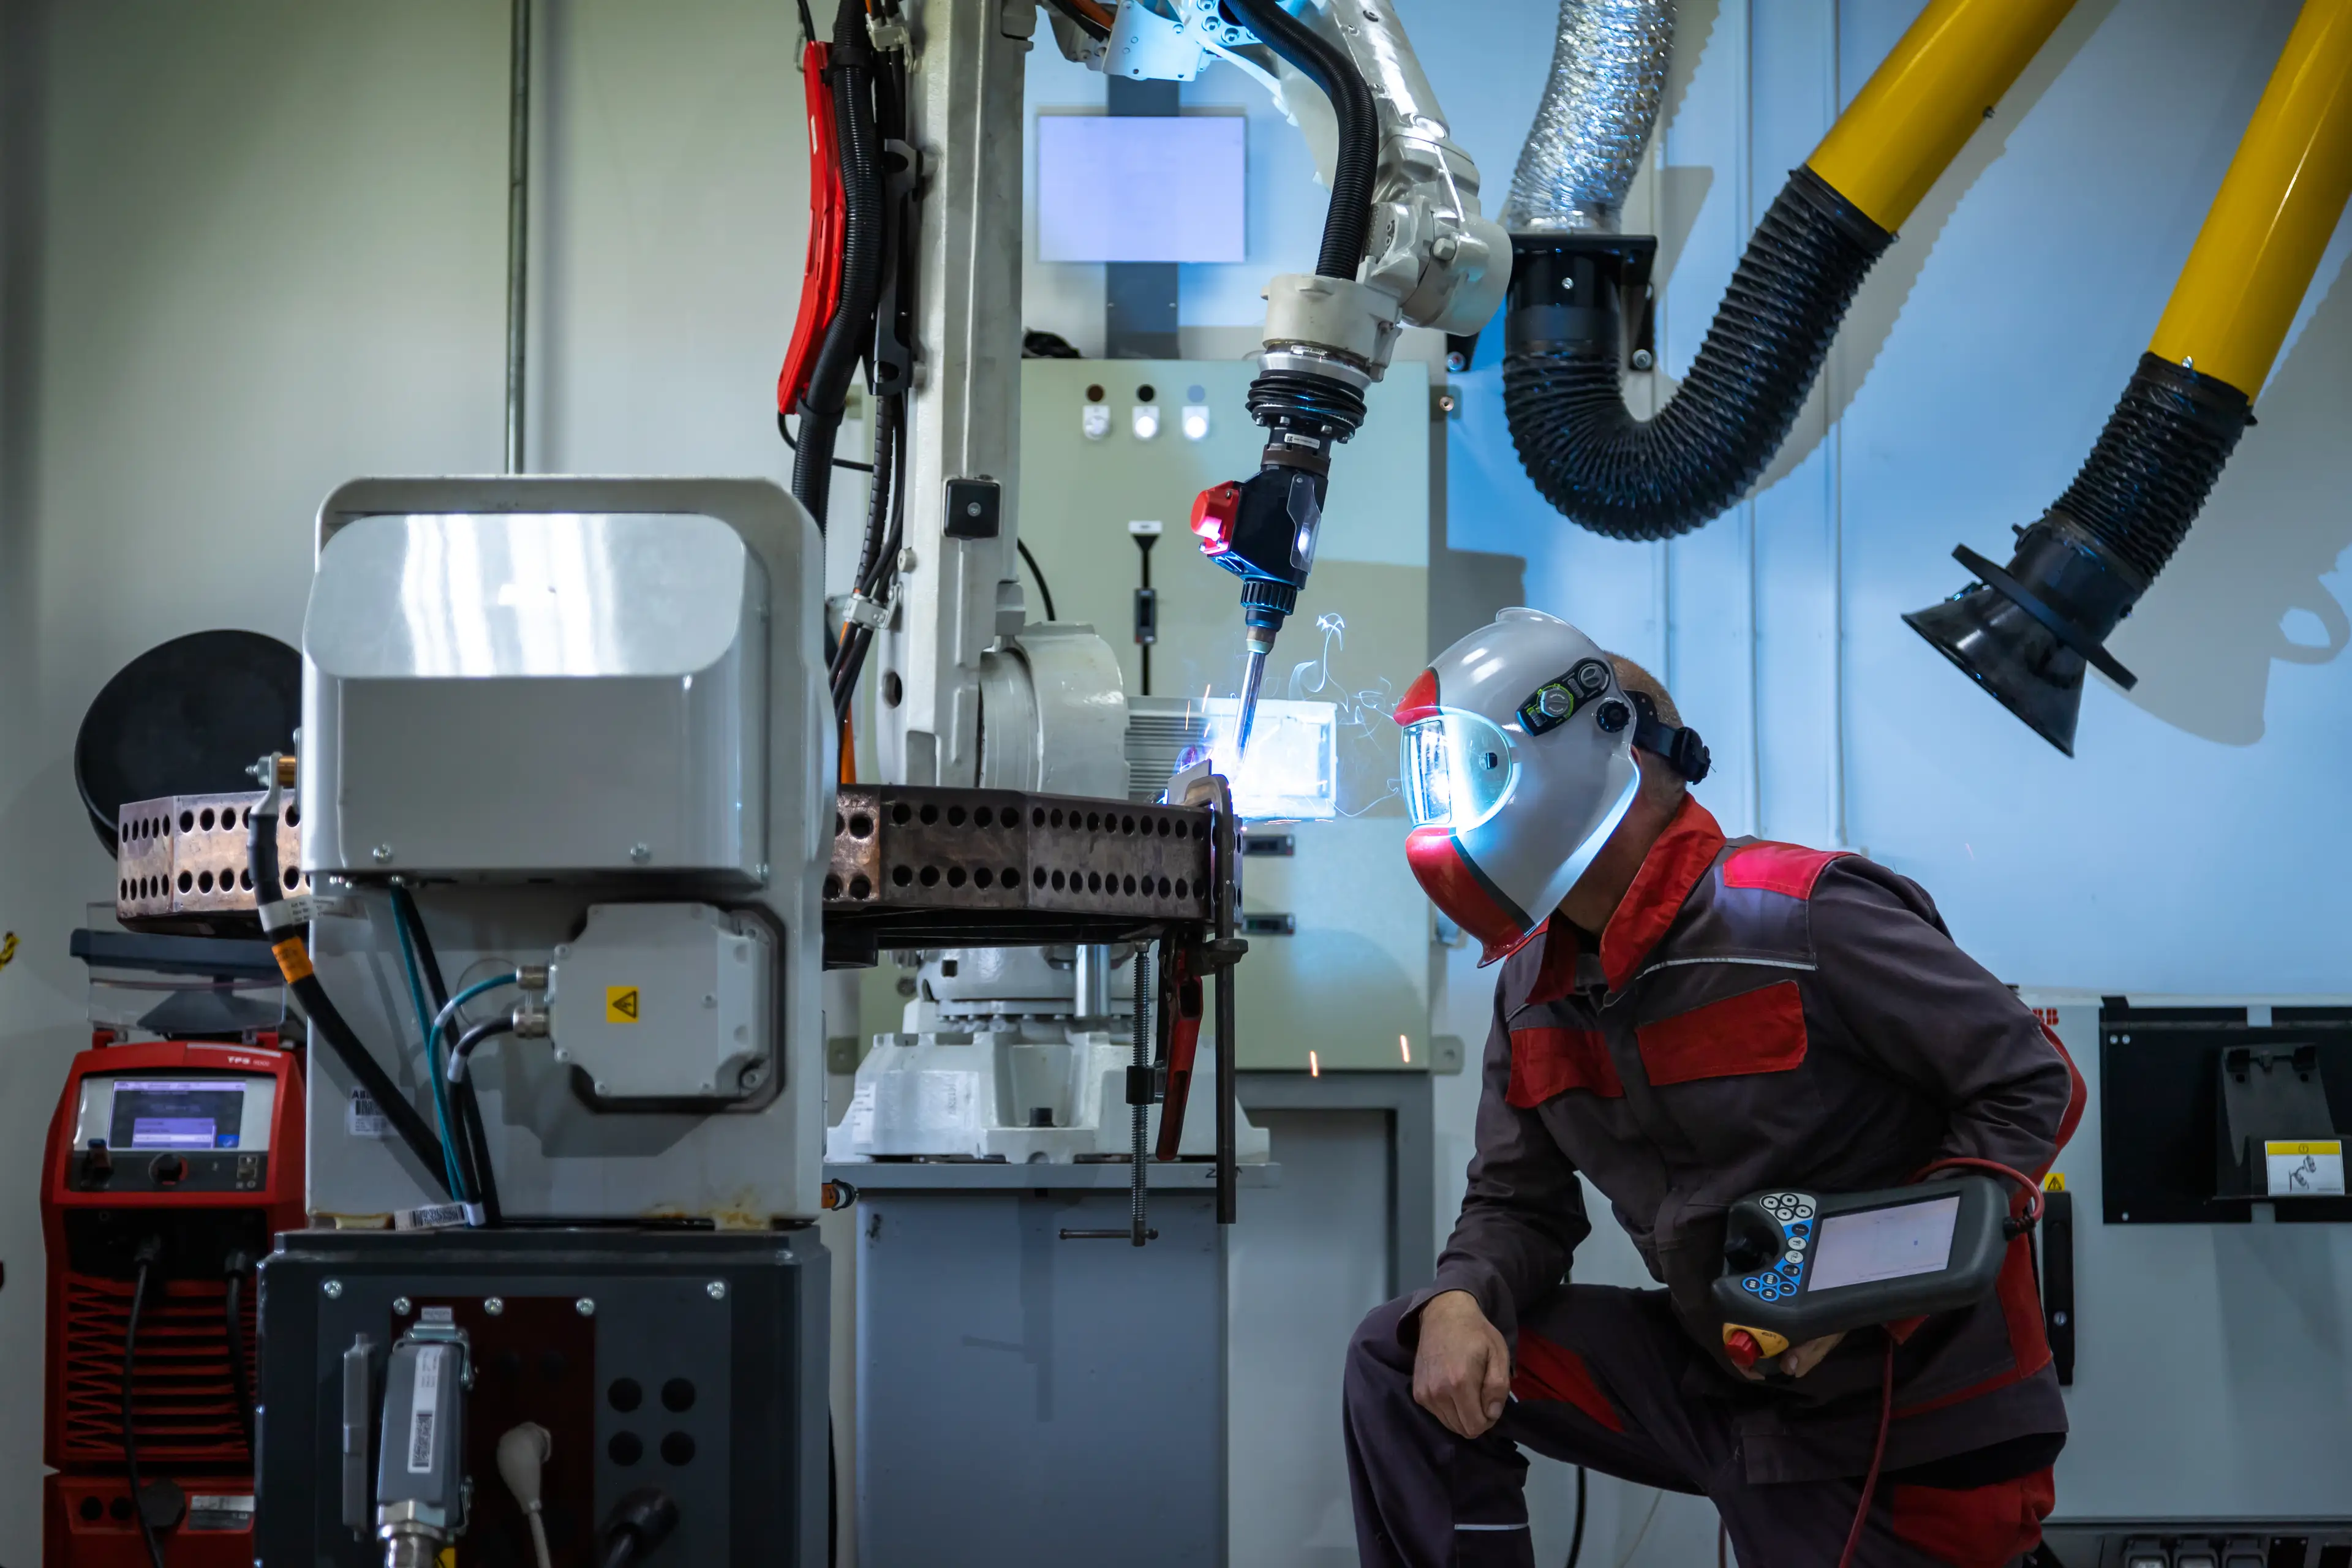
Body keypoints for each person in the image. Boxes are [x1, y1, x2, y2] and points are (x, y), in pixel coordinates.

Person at [1349, 609, 2084, 1568]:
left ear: (1608, 744)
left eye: (1478, 767)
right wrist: (1460, 1298)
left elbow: (2033, 1082)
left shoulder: (1802, 919)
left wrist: (1859, 1288)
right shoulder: (1535, 991)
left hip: (1906, 1420)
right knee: (1404, 1355)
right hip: (1724, 1382)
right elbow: (1518, 1208)